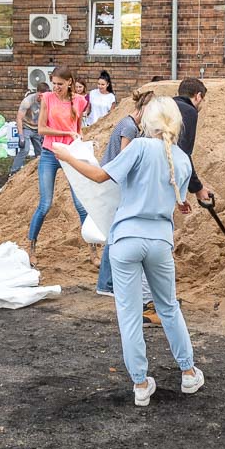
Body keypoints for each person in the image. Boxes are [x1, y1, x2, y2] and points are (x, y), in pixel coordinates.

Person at [54, 97, 205, 406]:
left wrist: (67, 157)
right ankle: (188, 372)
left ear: (147, 122)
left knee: (129, 314)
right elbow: (177, 200)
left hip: (126, 238)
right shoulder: (183, 159)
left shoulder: (137, 147)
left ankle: (140, 385)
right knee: (168, 307)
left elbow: (99, 177)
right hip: (160, 239)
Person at [26, 66, 89, 266]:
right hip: (50, 153)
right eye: (53, 83)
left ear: (70, 82)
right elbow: (41, 128)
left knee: (81, 205)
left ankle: (93, 249)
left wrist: (79, 139)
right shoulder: (47, 98)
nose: (56, 87)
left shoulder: (79, 101)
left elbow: (78, 127)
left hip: (70, 154)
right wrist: (66, 134)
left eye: (60, 84)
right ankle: (31, 246)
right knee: (45, 204)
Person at [96, 89, 155, 296]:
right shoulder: (130, 128)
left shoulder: (128, 124)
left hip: (112, 181)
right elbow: (125, 158)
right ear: (145, 109)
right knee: (116, 233)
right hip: (114, 183)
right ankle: (108, 283)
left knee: (115, 232)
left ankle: (108, 282)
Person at [174, 78, 214, 203]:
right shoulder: (189, 111)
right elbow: (183, 153)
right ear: (198, 96)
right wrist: (197, 188)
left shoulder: (166, 104)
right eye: (203, 100)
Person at [9, 82, 49, 176]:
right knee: (25, 149)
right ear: (39, 94)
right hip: (27, 127)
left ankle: (37, 173)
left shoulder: (47, 101)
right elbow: (19, 118)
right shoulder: (28, 101)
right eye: (43, 96)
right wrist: (21, 136)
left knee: (41, 152)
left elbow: (48, 117)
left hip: (38, 128)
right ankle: (14, 171)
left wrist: (45, 132)